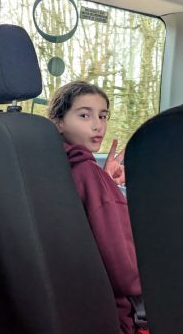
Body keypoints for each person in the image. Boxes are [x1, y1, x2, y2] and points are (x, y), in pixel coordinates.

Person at [48, 81, 145, 334]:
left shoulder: (56, 163)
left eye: (102, 116)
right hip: (122, 315)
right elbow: (127, 275)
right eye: (84, 115)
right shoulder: (87, 173)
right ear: (58, 122)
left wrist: (105, 182)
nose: (97, 125)